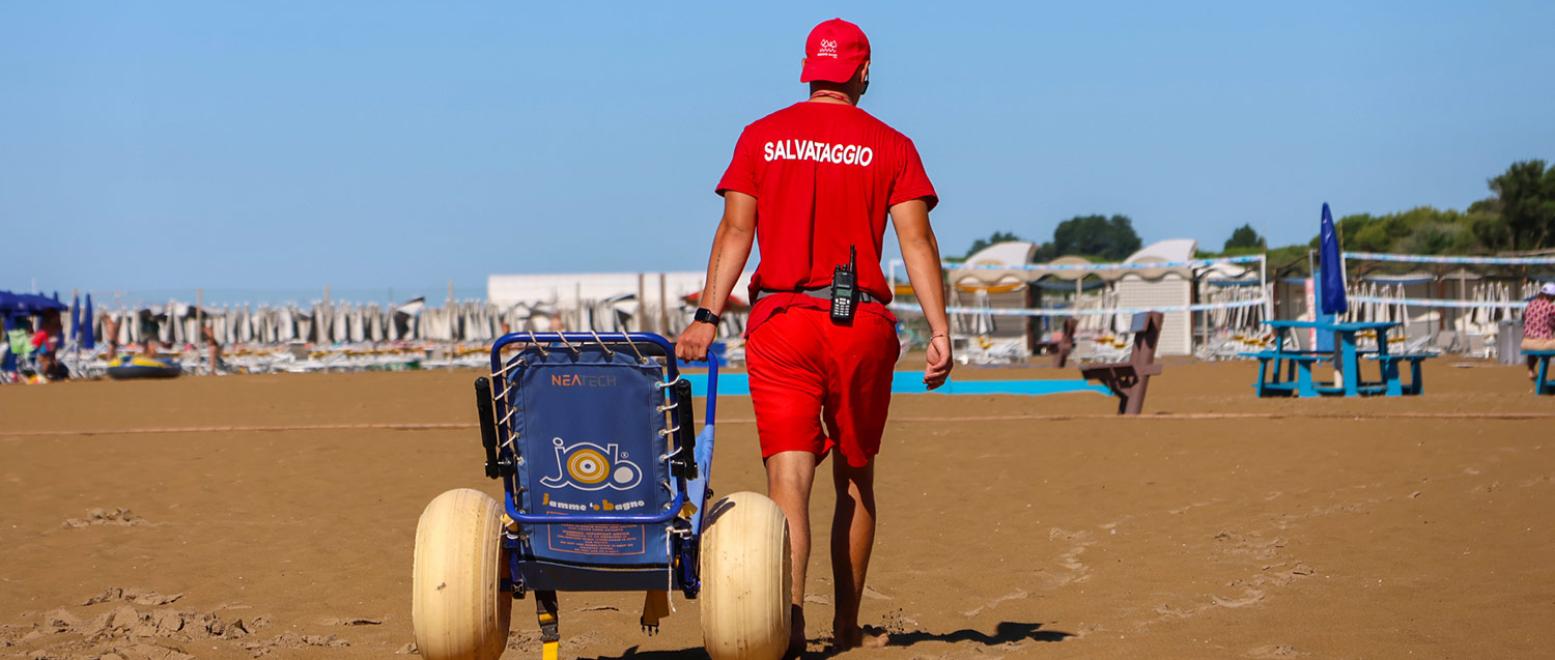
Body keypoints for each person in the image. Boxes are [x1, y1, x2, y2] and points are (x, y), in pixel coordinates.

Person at [675, 18, 953, 655]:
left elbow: (734, 233)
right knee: (856, 478)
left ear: (808, 69)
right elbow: (917, 240)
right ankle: (848, 625)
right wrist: (939, 329)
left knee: (787, 485)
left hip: (781, 322)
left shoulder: (761, 136)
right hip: (858, 324)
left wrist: (707, 317)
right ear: (862, 73)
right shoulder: (892, 144)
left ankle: (791, 620)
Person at [1522, 282, 1555, 379]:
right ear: (1551, 296)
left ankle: (1530, 370)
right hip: (1543, 343)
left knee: (1534, 343)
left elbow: (1524, 320)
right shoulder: (1551, 307)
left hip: (1526, 342)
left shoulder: (1530, 305)